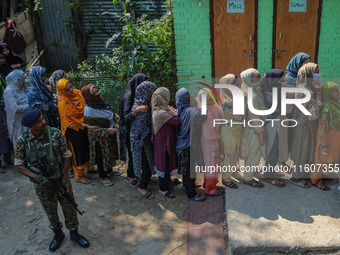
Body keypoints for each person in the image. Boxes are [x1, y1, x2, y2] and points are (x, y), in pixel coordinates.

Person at [15, 108, 90, 252]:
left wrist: (64, 177)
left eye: (42, 118)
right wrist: (36, 177)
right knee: (50, 211)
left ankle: (74, 233)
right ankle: (58, 234)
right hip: (43, 185)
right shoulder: (23, 141)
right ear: (31, 126)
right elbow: (19, 165)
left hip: (61, 180)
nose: (43, 122)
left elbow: (66, 155)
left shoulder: (55, 133)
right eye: (39, 121)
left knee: (69, 207)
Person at [290, 63, 322, 188]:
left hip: (304, 125)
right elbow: (313, 114)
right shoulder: (306, 91)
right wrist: (319, 94)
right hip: (304, 126)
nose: (317, 75)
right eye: (315, 73)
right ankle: (295, 178)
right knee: (302, 152)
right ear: (308, 74)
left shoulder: (306, 87)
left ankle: (302, 174)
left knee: (305, 151)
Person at [82, 84, 120, 187]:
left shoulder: (101, 102)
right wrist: (107, 130)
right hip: (99, 139)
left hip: (109, 133)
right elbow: (92, 130)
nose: (97, 94)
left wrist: (115, 116)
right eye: (94, 93)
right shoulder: (89, 110)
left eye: (97, 91)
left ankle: (110, 170)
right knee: (101, 157)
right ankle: (103, 176)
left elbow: (109, 112)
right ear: (88, 96)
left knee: (110, 153)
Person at [56, 78, 91, 184]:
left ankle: (89, 168)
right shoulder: (62, 102)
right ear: (62, 91)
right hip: (73, 130)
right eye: (67, 89)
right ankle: (80, 176)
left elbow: (85, 107)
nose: (71, 90)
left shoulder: (78, 93)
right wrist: (82, 122)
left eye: (71, 86)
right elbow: (68, 119)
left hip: (83, 125)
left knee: (86, 147)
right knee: (77, 152)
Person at [175, 88, 206, 202]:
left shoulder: (180, 109)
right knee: (190, 170)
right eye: (189, 95)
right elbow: (203, 116)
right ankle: (191, 194)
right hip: (188, 145)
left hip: (182, 144)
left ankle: (186, 186)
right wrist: (199, 102)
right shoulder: (189, 111)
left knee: (187, 168)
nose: (192, 97)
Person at [119, 73, 148, 187]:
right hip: (127, 130)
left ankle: (137, 173)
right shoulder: (128, 95)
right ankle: (130, 175)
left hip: (134, 129)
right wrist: (138, 110)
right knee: (132, 153)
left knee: (137, 153)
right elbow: (126, 117)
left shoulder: (136, 94)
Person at [311, 82, 340, 190]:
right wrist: (324, 142)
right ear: (328, 93)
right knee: (320, 158)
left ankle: (322, 175)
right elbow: (322, 126)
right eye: (335, 90)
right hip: (326, 137)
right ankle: (316, 180)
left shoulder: (336, 104)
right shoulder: (326, 108)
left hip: (335, 137)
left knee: (329, 158)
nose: (338, 92)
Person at [240, 68, 266, 188]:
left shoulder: (251, 90)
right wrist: (261, 133)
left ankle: (249, 173)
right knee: (255, 154)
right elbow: (254, 116)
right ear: (250, 80)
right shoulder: (253, 96)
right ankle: (248, 178)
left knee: (251, 154)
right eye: (257, 77)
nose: (259, 78)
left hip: (251, 129)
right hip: (254, 130)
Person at [152, 87, 179, 199]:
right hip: (162, 144)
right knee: (164, 163)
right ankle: (163, 189)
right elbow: (176, 121)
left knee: (167, 163)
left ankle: (168, 180)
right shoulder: (160, 113)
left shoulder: (164, 109)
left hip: (166, 141)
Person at [130, 81, 156, 199]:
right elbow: (142, 127)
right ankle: (142, 187)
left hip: (144, 140)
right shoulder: (142, 108)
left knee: (148, 163)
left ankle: (146, 180)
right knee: (145, 165)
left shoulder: (142, 104)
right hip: (140, 142)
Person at [197, 89, 224, 196]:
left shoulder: (208, 108)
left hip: (210, 139)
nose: (212, 96)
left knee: (212, 163)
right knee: (211, 163)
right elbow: (209, 130)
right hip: (210, 140)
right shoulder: (205, 112)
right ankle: (210, 188)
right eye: (209, 96)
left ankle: (207, 183)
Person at [261, 69, 286, 187]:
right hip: (271, 124)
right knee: (272, 149)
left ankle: (271, 170)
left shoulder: (274, 90)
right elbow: (277, 109)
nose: (280, 82)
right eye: (278, 80)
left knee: (276, 148)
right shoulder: (268, 94)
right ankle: (268, 175)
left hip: (277, 123)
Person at [219, 74, 243, 189]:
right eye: (236, 85)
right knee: (229, 153)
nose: (239, 87)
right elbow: (239, 116)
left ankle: (233, 171)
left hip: (236, 129)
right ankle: (226, 178)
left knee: (235, 151)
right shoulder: (226, 101)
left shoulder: (234, 98)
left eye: (239, 84)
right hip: (229, 131)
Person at [4, 70, 29, 149]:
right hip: (18, 123)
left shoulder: (21, 89)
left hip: (27, 120)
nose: (23, 81)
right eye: (22, 79)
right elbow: (15, 108)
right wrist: (29, 106)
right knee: (21, 143)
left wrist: (26, 88)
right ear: (17, 80)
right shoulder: (9, 92)